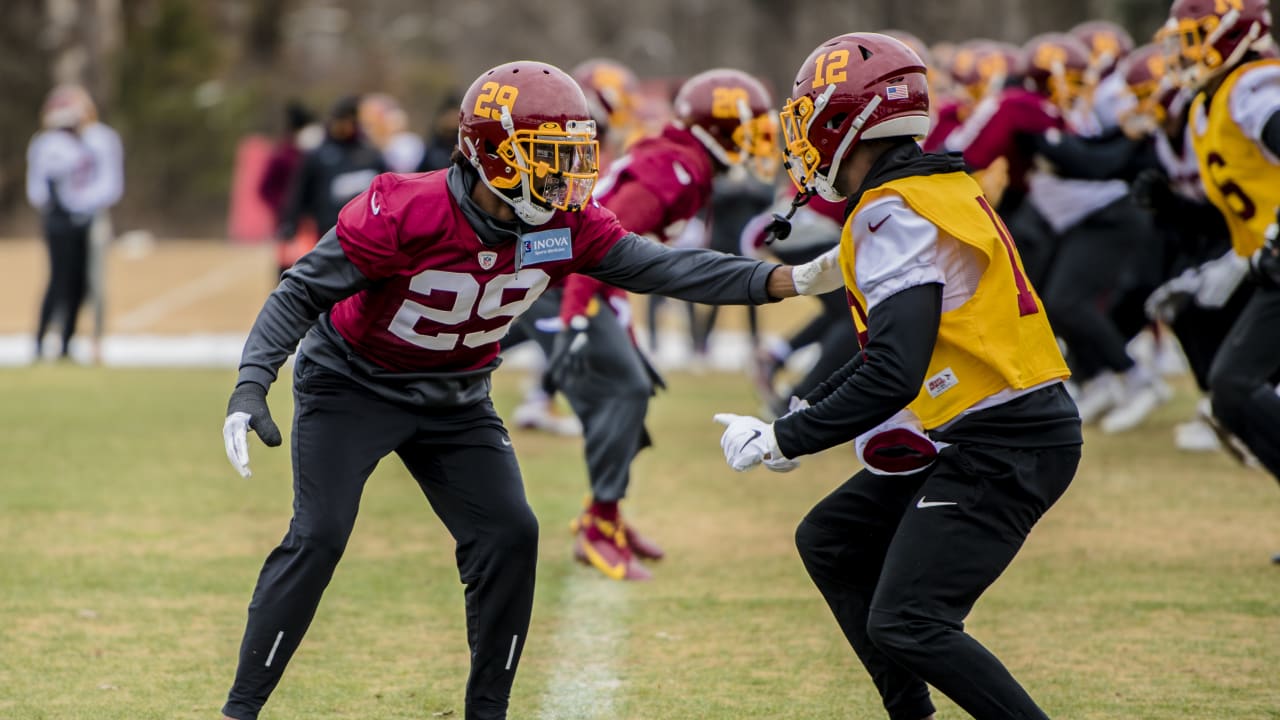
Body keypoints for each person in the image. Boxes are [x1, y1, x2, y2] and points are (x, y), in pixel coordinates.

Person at [217, 60, 838, 720]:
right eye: (548, 155)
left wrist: (790, 281)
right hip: (354, 386)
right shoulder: (408, 206)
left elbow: (663, 267)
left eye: (573, 155)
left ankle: (488, 712)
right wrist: (251, 384)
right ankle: (241, 711)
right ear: (490, 154)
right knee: (319, 536)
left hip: (457, 397)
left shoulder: (562, 225)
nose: (567, 174)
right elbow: (302, 292)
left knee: (512, 533)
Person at [713, 33, 1081, 720]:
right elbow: (898, 347)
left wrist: (785, 438)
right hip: (990, 424)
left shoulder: (892, 210)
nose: (802, 140)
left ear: (844, 120)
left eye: (807, 119)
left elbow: (892, 371)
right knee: (831, 538)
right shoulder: (935, 186)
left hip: (1006, 438)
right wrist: (801, 408)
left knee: (910, 620)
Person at [552, 68, 780, 581]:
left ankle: (603, 514)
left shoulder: (684, 160)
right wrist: (575, 318)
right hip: (562, 285)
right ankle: (598, 525)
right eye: (749, 132)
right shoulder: (675, 167)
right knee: (626, 390)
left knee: (633, 395)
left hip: (585, 286)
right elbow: (593, 241)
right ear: (718, 129)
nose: (756, 145)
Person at [1166, 0, 1280, 560]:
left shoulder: (1255, 84)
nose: (1186, 52)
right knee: (1234, 392)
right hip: (1266, 266)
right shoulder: (1207, 103)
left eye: (1198, 36)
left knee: (1234, 386)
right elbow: (1237, 209)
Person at [26, 84, 122, 361]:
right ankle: (42, 341)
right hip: (59, 220)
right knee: (59, 280)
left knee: (86, 282)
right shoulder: (49, 144)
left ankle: (76, 341)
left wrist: (82, 205)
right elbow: (41, 187)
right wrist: (64, 206)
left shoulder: (95, 140)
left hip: (88, 217)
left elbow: (107, 182)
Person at [274, 95, 385, 275]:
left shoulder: (370, 155)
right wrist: (290, 223)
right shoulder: (317, 155)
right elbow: (301, 192)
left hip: (365, 233)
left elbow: (385, 191)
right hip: (327, 231)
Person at [258, 100, 316, 277]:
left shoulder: (314, 154)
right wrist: (283, 208)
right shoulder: (282, 155)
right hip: (288, 224)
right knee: (287, 269)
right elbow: (264, 188)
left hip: (311, 224)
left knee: (312, 269)